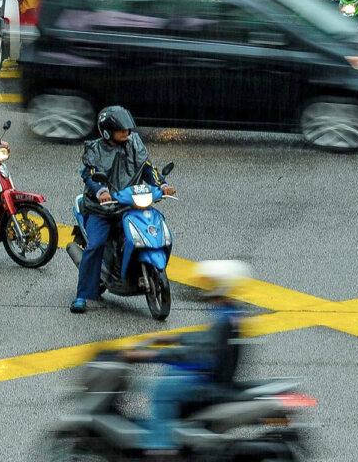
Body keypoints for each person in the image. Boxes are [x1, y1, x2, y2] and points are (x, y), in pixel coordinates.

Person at [124, 260, 249, 452]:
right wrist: (172, 337)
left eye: (211, 283)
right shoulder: (229, 311)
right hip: (213, 373)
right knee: (162, 378)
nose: (207, 288)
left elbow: (199, 353)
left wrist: (153, 355)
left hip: (209, 379)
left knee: (161, 390)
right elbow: (204, 338)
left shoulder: (224, 317)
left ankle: (161, 448)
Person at [70, 106, 174, 314]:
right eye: (122, 130)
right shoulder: (95, 150)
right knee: (96, 244)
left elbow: (147, 168)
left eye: (128, 130)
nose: (127, 133)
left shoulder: (134, 143)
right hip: (102, 209)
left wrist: (161, 185)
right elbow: (90, 174)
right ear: (107, 132)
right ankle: (82, 295)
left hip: (129, 204)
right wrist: (101, 191)